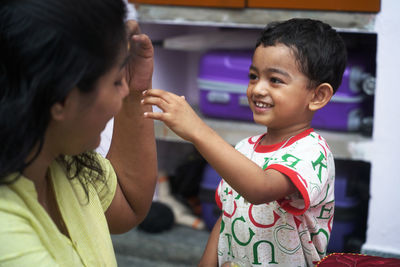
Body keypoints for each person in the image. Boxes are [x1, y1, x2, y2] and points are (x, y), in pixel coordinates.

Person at [142, 18, 347, 266]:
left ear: (318, 95)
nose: (257, 89)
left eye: (275, 80)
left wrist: (198, 130)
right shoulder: (245, 148)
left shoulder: (313, 153)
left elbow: (260, 189)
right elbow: (228, 216)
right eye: (253, 76)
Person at [0, 0, 157, 266]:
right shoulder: (8, 237)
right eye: (116, 81)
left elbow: (130, 204)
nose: (123, 92)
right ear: (62, 100)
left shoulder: (59, 156)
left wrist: (134, 92)